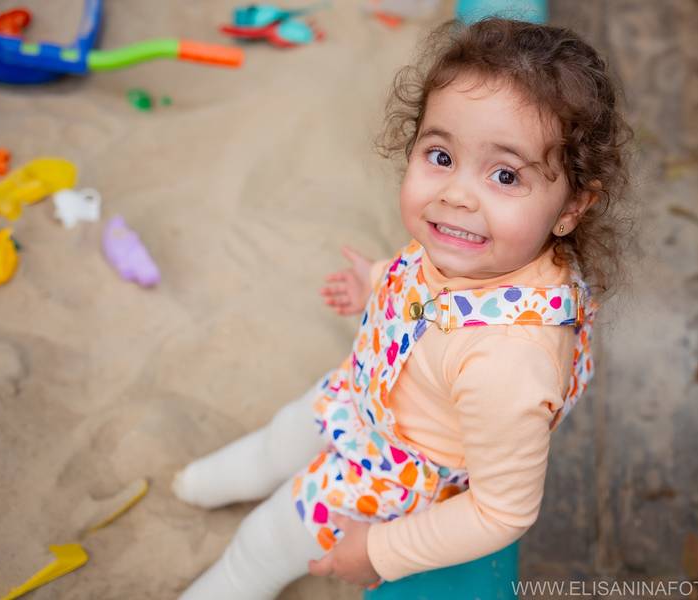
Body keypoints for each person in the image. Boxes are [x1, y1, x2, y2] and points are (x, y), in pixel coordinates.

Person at [173, 16, 631, 599]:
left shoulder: (511, 364)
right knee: (288, 431)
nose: (457, 194)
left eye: (506, 174)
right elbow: (422, 284)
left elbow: (501, 512)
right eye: (441, 156)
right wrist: (374, 284)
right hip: (365, 396)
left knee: (264, 541)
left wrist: (381, 550)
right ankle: (217, 480)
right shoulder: (478, 247)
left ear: (570, 208)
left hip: (391, 472)